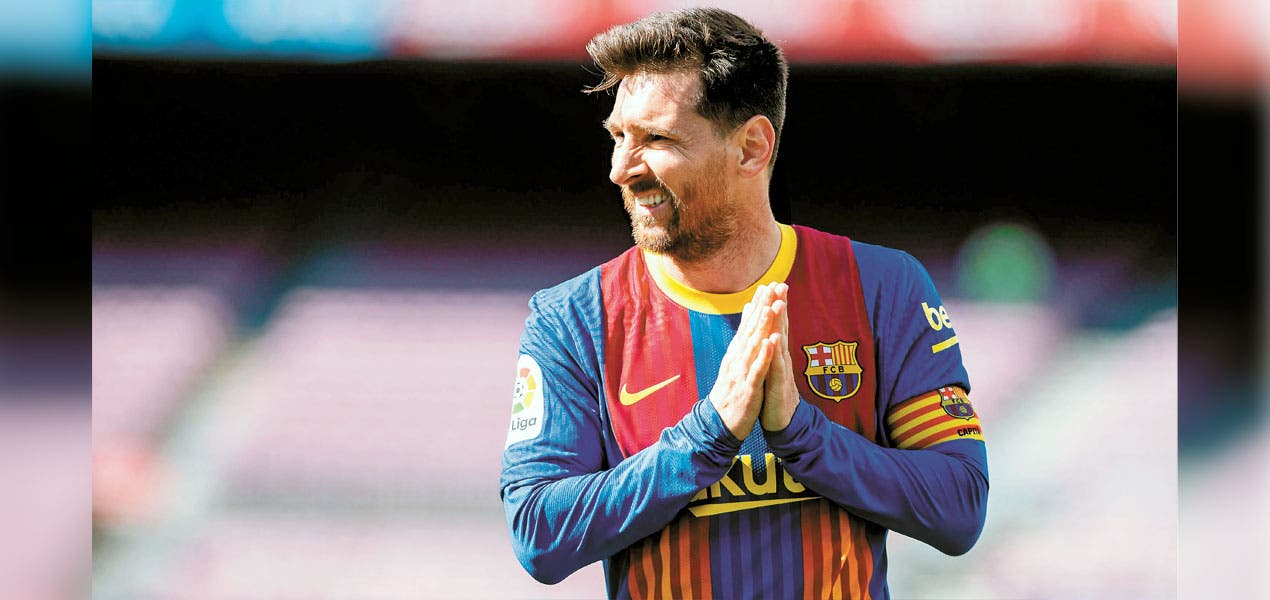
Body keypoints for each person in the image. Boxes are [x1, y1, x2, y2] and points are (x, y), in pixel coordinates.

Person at [499, 8, 987, 599]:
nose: (620, 169)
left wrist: (803, 436)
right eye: (618, 136)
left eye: (656, 139)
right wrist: (707, 436)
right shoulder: (574, 318)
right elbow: (538, 533)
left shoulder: (883, 287)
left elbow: (960, 506)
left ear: (752, 148)